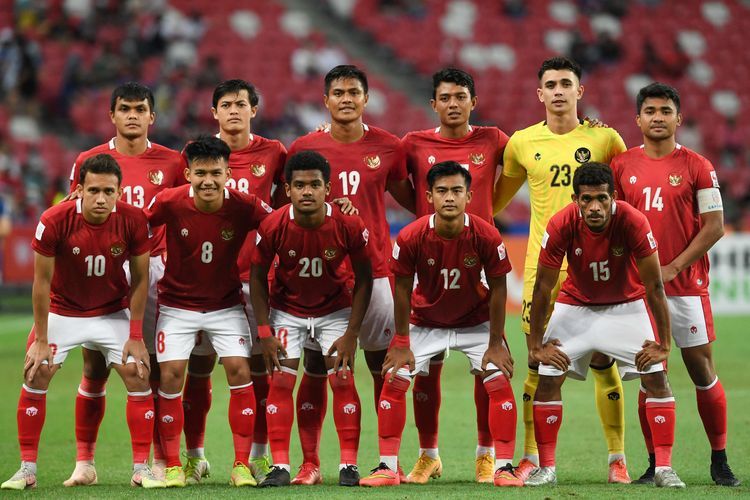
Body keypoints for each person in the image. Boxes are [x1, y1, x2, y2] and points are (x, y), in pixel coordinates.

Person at [492, 56, 630, 483]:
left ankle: (617, 459)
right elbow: (492, 203)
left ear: (578, 91)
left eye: (565, 83)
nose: (557, 90)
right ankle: (532, 457)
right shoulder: (521, 143)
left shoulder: (606, 139)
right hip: (541, 269)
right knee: (539, 362)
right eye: (549, 84)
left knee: (605, 359)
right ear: (539, 93)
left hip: (598, 268)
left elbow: (626, 197)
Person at [286, 64, 415, 484]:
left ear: (366, 98)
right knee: (316, 367)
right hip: (319, 275)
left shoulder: (389, 147)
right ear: (325, 100)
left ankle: (385, 462)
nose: (346, 98)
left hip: (374, 271)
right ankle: (310, 463)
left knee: (380, 366)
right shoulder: (304, 147)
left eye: (353, 92)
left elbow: (413, 201)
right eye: (337, 92)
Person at [2, 154, 162, 490]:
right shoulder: (54, 219)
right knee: (37, 370)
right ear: (79, 190)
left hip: (110, 310)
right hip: (64, 309)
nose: (101, 198)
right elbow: (41, 283)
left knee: (137, 372)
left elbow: (140, 279)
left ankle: (140, 469)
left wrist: (135, 335)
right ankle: (27, 469)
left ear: (120, 192)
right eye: (93, 190)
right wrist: (42, 340)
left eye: (108, 191)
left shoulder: (133, 220)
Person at [359, 161, 519, 487]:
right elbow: (401, 289)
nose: (449, 198)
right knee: (394, 375)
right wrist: (401, 341)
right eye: (442, 191)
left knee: (498, 377)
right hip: (426, 321)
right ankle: (390, 466)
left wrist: (494, 343)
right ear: (429, 195)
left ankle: (501, 465)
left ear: (469, 196)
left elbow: (500, 289)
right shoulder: (411, 236)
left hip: (476, 322)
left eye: (457, 191)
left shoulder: (487, 235)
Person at [525, 162, 684, 488]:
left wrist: (664, 343)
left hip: (626, 306)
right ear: (575, 199)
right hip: (575, 306)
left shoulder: (633, 222)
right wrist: (535, 345)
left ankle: (664, 469)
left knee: (656, 376)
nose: (594, 207)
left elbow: (654, 286)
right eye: (586, 200)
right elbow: (542, 287)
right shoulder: (560, 224)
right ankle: (548, 468)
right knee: (547, 378)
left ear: (614, 197)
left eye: (601, 199)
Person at [611, 83, 740, 487]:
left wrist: (672, 267)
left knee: (702, 370)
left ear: (678, 118)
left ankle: (719, 460)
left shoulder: (698, 166)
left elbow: (714, 226)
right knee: (651, 373)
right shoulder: (620, 165)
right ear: (638, 119)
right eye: (650, 111)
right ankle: (655, 464)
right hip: (637, 290)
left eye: (665, 111)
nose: (657, 117)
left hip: (686, 286)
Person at [60, 82, 188, 485]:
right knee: (94, 364)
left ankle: (152, 461)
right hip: (104, 270)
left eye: (140, 109)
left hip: (153, 274)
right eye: (125, 108)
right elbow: (71, 216)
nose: (132, 115)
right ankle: (85, 462)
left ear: (152, 116)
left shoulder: (172, 162)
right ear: (112, 115)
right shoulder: (90, 159)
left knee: (147, 368)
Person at [400, 67, 509, 483]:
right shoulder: (413, 144)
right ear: (434, 104)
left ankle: (486, 454)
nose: (452, 103)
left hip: (477, 261)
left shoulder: (494, 139)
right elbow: (391, 180)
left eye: (460, 96)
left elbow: (529, 161)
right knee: (425, 368)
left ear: (472, 102)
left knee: (487, 364)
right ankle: (429, 455)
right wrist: (418, 213)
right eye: (445, 97)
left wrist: (490, 209)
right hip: (428, 260)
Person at [146, 135, 272, 487]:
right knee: (170, 374)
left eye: (216, 173)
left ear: (228, 173)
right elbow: (134, 226)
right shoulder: (169, 202)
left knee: (238, 367)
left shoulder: (245, 205)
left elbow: (280, 227)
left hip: (226, 304)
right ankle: (173, 466)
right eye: (200, 173)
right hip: (176, 304)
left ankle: (241, 465)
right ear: (187, 174)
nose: (208, 181)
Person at [250, 150, 373, 487]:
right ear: (287, 189)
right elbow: (257, 278)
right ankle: (280, 467)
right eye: (299, 185)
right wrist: (264, 330)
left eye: (314, 185)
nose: (307, 191)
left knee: (343, 380)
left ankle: (348, 464)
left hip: (335, 310)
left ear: (327, 188)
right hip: (288, 311)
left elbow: (365, 278)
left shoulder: (349, 224)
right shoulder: (273, 224)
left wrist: (352, 333)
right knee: (281, 382)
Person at [205, 78, 288, 482]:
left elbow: (291, 205)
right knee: (194, 368)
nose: (234, 110)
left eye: (241, 103)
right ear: (214, 112)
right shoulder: (199, 155)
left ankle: (257, 456)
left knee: (260, 369)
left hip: (257, 277)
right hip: (206, 283)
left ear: (253, 110)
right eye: (226, 104)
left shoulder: (273, 153)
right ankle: (193, 455)